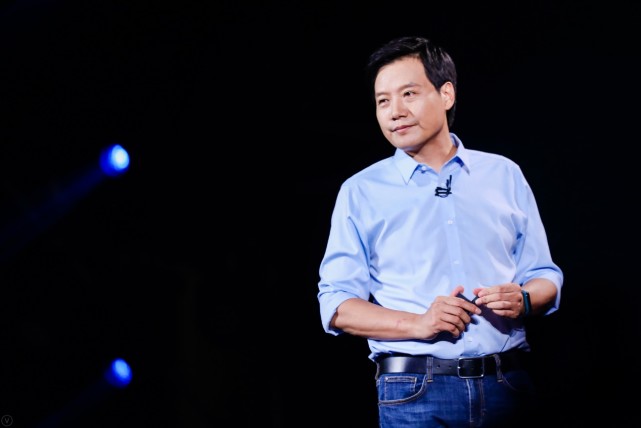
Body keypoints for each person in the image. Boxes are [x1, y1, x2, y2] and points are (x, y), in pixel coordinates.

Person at [317, 36, 563, 428]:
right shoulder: (361, 191)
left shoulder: (503, 174)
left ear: (446, 94)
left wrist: (525, 298)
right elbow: (336, 303)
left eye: (408, 94)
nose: (395, 112)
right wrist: (419, 323)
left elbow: (544, 275)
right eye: (383, 101)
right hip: (415, 388)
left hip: (508, 382)